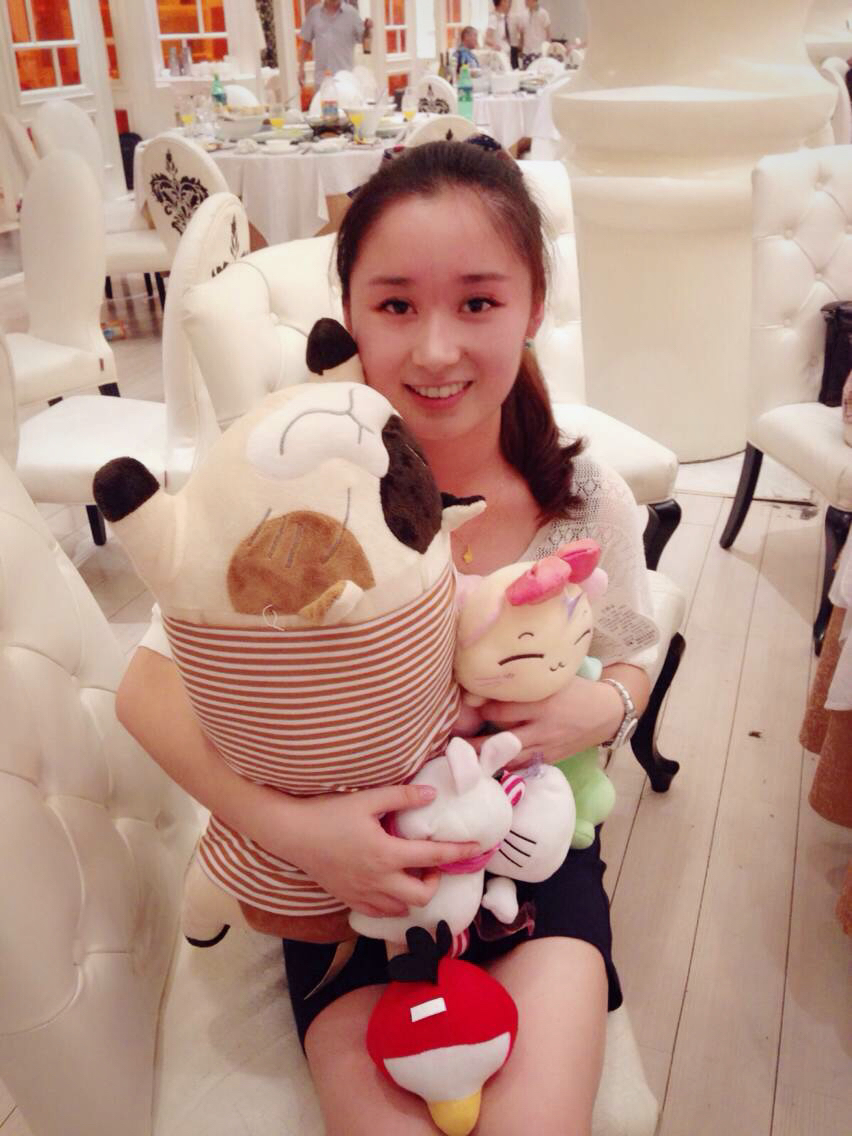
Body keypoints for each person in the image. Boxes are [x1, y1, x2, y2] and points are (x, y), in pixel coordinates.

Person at [117, 141, 657, 1134]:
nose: (436, 350)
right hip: (342, 886)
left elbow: (630, 652)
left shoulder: (584, 501)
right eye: (397, 305)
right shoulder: (284, 487)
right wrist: (300, 835)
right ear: (350, 312)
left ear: (534, 308)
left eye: (479, 302)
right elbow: (145, 690)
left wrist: (604, 702)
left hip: (526, 860)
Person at [297, 0, 371, 88]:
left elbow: (364, 41)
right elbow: (306, 42)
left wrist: (368, 29)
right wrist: (301, 68)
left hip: (345, 80)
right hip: (322, 80)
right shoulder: (314, 13)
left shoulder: (352, 14)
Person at [515, 0, 551, 67]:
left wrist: (548, 50)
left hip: (539, 51)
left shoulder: (543, 13)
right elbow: (521, 33)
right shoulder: (523, 15)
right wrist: (520, 48)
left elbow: (548, 34)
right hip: (526, 51)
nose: (525, 1)